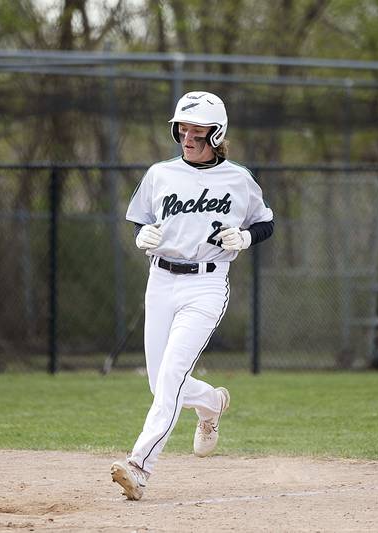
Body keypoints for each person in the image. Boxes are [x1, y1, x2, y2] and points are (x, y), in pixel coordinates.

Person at [110, 90, 275, 501]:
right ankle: (211, 402)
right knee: (160, 383)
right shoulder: (160, 174)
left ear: (216, 134)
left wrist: (246, 237)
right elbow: (140, 219)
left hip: (206, 284)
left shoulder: (238, 178)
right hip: (161, 280)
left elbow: (265, 222)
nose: (187, 137)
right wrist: (141, 235)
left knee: (170, 377)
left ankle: (139, 466)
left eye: (197, 131)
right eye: (182, 129)